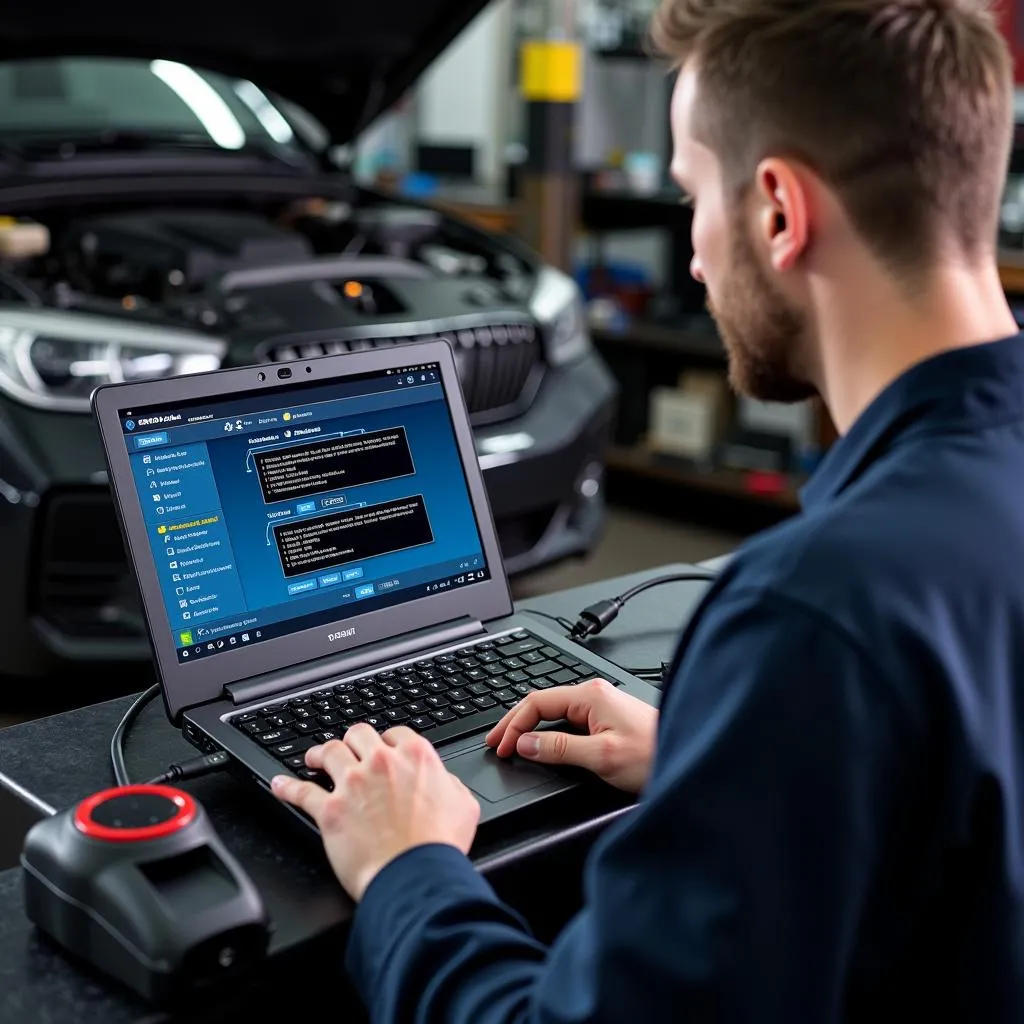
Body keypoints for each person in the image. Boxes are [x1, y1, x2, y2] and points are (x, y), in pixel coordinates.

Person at [271, 0, 1024, 1019]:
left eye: (688, 198)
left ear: (775, 211)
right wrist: (720, 753)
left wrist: (406, 868)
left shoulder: (813, 610)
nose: (697, 261)